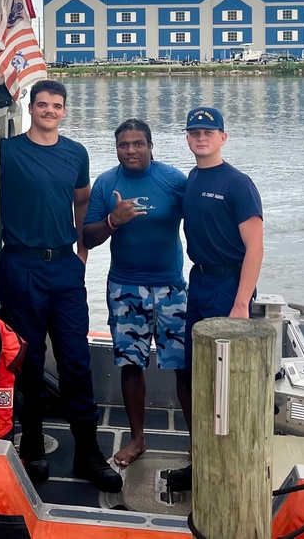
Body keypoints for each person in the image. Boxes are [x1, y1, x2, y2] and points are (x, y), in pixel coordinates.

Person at [0, 79, 122, 493]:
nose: (49, 110)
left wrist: (81, 250)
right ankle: (32, 445)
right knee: (29, 365)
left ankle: (89, 452)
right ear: (30, 109)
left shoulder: (76, 153)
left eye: (57, 105)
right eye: (42, 104)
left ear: (64, 111)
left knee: (75, 362)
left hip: (65, 266)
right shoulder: (7, 153)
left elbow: (82, 200)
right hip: (21, 265)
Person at [82, 119, 190, 468]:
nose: (131, 150)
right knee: (131, 365)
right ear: (116, 149)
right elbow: (87, 238)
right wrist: (114, 220)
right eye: (123, 145)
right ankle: (138, 439)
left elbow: (204, 220)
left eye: (138, 143)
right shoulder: (106, 183)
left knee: (185, 368)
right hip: (125, 287)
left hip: (172, 287)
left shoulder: (173, 180)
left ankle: (197, 442)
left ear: (150, 145)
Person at [168, 105, 264, 490]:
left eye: (209, 132)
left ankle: (230, 470)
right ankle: (201, 461)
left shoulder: (238, 184)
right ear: (188, 138)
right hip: (200, 282)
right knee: (195, 375)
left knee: (225, 381)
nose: (201, 137)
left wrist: (241, 305)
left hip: (229, 286)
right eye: (194, 131)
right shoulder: (190, 178)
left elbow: (255, 249)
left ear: (223, 137)